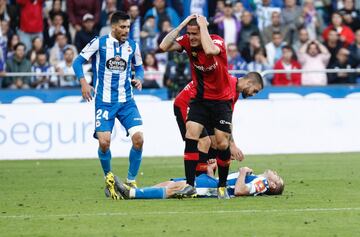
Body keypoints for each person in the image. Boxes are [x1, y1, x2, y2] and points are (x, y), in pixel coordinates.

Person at [159, 14, 263, 199]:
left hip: (220, 101)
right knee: (192, 134)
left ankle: (221, 186)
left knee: (221, 143)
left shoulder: (217, 41)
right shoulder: (188, 41)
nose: (191, 38)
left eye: (194, 34)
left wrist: (203, 27)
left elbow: (208, 49)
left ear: (203, 31)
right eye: (189, 34)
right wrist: (184, 24)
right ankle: (191, 185)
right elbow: (163, 46)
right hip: (200, 98)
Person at [72, 11, 145, 200]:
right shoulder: (100, 42)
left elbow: (140, 67)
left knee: (139, 139)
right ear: (113, 27)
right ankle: (109, 179)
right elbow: (77, 62)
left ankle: (131, 181)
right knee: (104, 143)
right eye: (122, 27)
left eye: (128, 27)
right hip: (104, 101)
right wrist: (83, 82)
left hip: (127, 101)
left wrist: (139, 78)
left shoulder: (132, 46)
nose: (126, 31)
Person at [173, 73, 264, 176]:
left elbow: (227, 120)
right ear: (249, 82)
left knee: (216, 142)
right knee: (204, 141)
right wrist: (231, 145)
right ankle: (200, 181)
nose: (253, 94)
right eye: (255, 91)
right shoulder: (226, 82)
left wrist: (231, 144)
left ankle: (208, 178)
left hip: (202, 108)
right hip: (186, 104)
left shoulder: (234, 92)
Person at [112, 161, 285, 199]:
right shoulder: (258, 180)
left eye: (278, 177)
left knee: (175, 188)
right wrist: (210, 172)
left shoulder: (262, 183)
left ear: (273, 184)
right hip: (212, 182)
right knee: (169, 183)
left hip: (213, 188)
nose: (275, 173)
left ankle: (130, 193)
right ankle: (125, 193)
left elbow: (239, 191)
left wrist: (242, 171)